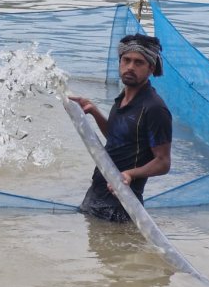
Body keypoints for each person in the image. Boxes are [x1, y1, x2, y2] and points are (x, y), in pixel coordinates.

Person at [70, 33, 171, 223]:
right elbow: (117, 138)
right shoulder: (122, 98)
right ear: (120, 62)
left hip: (122, 207)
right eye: (126, 60)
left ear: (151, 68)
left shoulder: (154, 108)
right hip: (96, 194)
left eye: (139, 62)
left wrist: (130, 174)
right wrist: (93, 111)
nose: (130, 67)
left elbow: (163, 162)